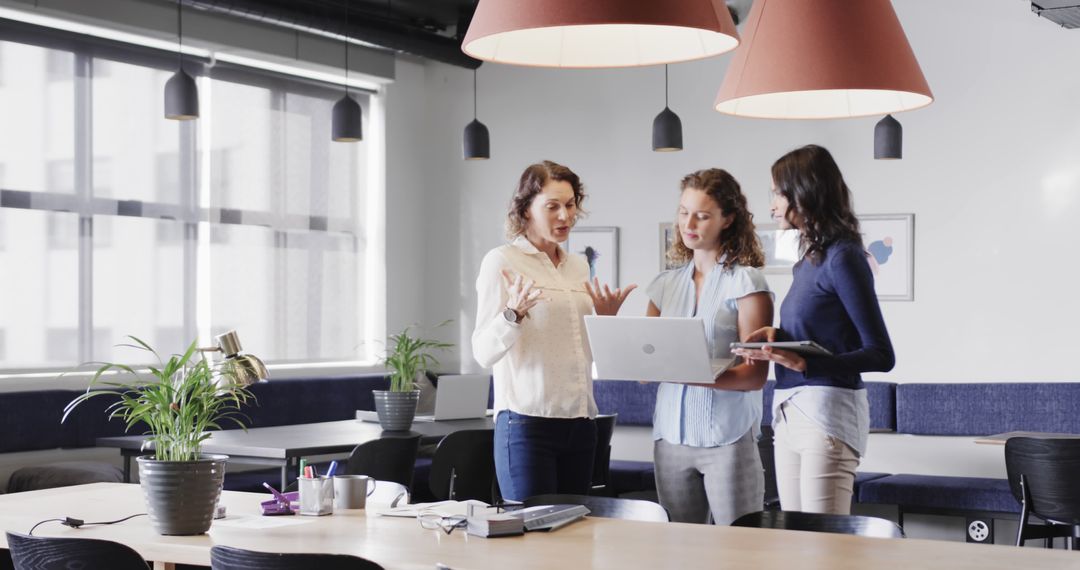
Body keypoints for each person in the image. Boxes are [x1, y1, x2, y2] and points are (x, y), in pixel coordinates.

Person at [733, 145, 895, 515]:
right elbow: (822, 336)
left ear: (803, 194)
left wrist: (806, 364)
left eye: (777, 191)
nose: (772, 203)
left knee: (825, 548)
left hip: (827, 414)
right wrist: (776, 338)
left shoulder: (844, 257)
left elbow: (881, 354)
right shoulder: (808, 261)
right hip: (788, 411)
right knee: (797, 542)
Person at [472, 160, 636, 502]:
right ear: (526, 209)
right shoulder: (501, 262)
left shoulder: (578, 266)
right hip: (527, 425)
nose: (565, 216)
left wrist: (604, 321)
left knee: (576, 539)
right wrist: (512, 314)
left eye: (571, 204)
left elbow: (576, 346)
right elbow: (482, 352)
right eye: (552, 206)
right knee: (533, 542)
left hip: (581, 422)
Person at [646, 168, 773, 525]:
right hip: (670, 438)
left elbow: (754, 375)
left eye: (702, 216)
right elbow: (645, 369)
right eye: (684, 212)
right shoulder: (663, 285)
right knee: (679, 553)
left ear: (727, 220)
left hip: (727, 439)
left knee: (740, 551)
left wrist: (690, 374)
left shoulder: (747, 282)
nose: (689, 223)